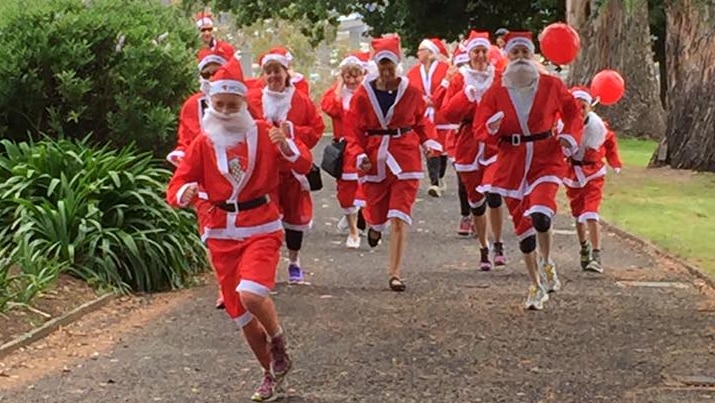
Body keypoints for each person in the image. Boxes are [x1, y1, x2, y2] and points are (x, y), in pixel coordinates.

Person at [166, 58, 313, 401]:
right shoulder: (203, 142)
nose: (227, 112)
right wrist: (182, 194)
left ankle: (277, 339)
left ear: (245, 104)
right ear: (211, 103)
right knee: (241, 314)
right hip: (221, 232)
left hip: (261, 226)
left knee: (251, 293)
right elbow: (179, 182)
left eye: (233, 105)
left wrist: (286, 144)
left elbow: (304, 163)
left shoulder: (263, 132)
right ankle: (268, 374)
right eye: (220, 105)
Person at [474, 31, 583, 310]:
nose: (520, 59)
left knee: (541, 215)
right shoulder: (496, 91)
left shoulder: (551, 85)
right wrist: (491, 129)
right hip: (511, 163)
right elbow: (480, 128)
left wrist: (571, 137)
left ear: (533, 57)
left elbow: (572, 112)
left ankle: (547, 261)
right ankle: (535, 284)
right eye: (515, 54)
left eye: (525, 53)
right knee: (523, 229)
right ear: (507, 58)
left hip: (546, 157)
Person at [344, 36, 442, 292]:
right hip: (375, 158)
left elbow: (422, 122)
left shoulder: (410, 91)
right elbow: (353, 131)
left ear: (397, 64)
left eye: (390, 65)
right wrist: (360, 155)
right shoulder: (363, 95)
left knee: (399, 216)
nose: (387, 71)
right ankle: (374, 228)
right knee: (377, 216)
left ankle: (395, 273)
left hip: (405, 157)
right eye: (382, 66)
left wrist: (430, 142)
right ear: (376, 66)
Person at [247, 46, 325, 284]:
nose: (272, 76)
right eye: (268, 72)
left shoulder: (301, 101)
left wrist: (291, 132)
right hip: (264, 169)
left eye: (277, 71)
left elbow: (316, 129)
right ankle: (265, 268)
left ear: (286, 72)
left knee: (294, 217)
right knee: (265, 219)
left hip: (292, 169)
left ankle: (294, 261)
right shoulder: (253, 99)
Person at [167, 46, 231, 309]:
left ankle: (242, 278)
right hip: (204, 181)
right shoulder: (191, 105)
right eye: (207, 74)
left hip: (236, 179)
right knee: (211, 235)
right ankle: (225, 288)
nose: (211, 78)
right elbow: (185, 139)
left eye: (216, 73)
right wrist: (181, 159)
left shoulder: (240, 102)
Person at [442, 31, 507, 270]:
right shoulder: (460, 78)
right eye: (476, 52)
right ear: (469, 54)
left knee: (494, 193)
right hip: (468, 143)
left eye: (483, 51)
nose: (480, 56)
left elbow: (509, 104)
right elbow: (448, 112)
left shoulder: (498, 77)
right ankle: (483, 246)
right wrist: (466, 97)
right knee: (476, 201)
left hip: (493, 144)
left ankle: (499, 243)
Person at [562, 87, 622, 273]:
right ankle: (584, 248)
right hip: (573, 173)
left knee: (590, 212)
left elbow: (610, 142)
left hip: (594, 173)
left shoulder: (598, 127)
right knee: (578, 213)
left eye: (583, 107)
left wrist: (615, 162)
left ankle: (597, 254)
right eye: (577, 107)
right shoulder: (566, 124)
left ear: (590, 108)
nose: (580, 111)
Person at [320, 51, 370, 248]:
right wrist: (339, 85)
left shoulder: (367, 93)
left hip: (364, 146)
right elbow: (330, 108)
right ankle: (353, 230)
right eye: (347, 76)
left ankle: (358, 220)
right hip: (344, 148)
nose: (352, 80)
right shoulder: (337, 94)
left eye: (355, 76)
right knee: (347, 189)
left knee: (365, 186)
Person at [407, 38, 454, 197]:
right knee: (431, 148)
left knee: (443, 150)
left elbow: (449, 89)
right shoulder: (413, 71)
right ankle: (434, 183)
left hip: (441, 114)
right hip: (425, 116)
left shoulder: (445, 69)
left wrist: (434, 99)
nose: (418, 53)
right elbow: (409, 91)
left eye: (421, 50)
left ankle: (440, 177)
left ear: (430, 52)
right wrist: (421, 101)